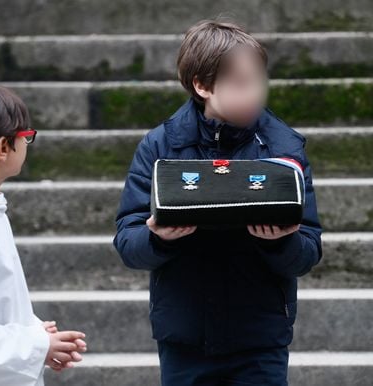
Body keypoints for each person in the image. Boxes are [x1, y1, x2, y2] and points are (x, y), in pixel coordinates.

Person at [114, 20, 322, 386]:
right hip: (184, 337)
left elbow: (308, 251)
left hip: (259, 338)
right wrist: (158, 236)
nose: (255, 93)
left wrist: (280, 241)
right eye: (242, 84)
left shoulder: (283, 148)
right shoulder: (160, 146)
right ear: (203, 85)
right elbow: (129, 244)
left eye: (259, 80)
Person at [0, 85, 88, 386]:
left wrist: (35, 334)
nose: (28, 143)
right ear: (2, 148)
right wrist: (36, 346)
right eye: (26, 137)